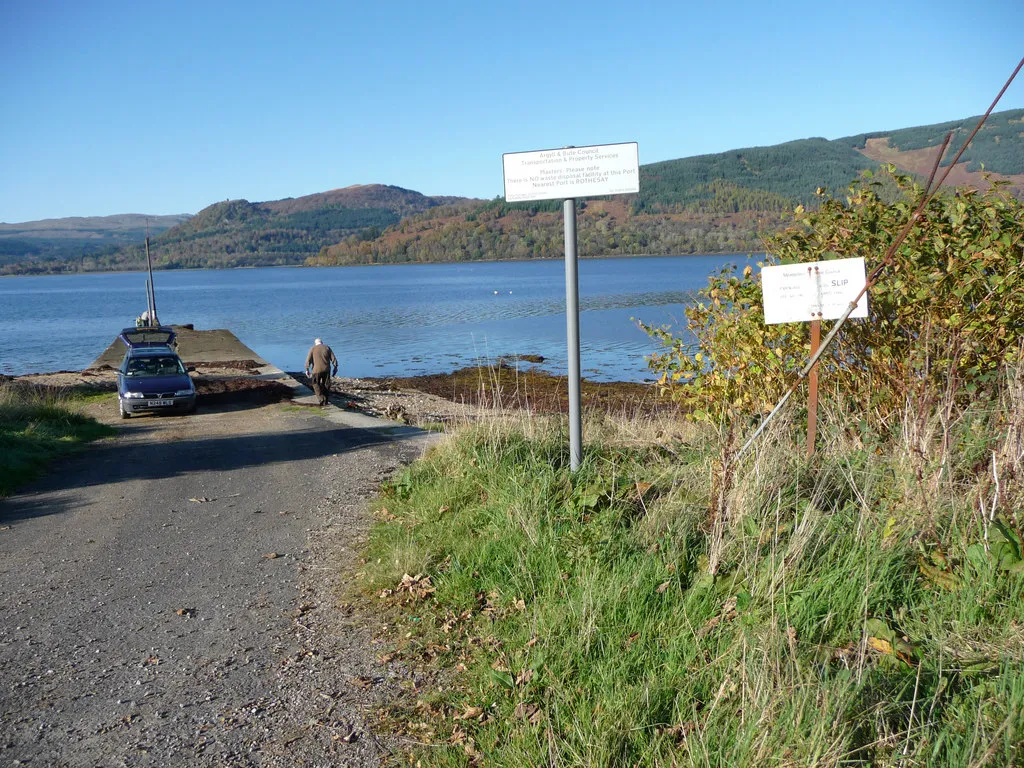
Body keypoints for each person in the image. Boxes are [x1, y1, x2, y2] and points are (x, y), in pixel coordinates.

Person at [304, 337, 338, 406]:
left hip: (316, 370)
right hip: (326, 369)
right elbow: (333, 358)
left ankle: (321, 398)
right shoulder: (327, 348)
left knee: (315, 384)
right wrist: (335, 367)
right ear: (322, 342)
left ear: (315, 343)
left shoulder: (312, 349)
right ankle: (326, 399)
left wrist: (307, 369)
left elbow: (308, 360)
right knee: (326, 384)